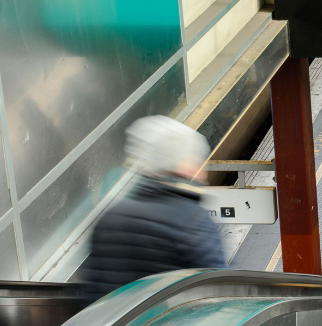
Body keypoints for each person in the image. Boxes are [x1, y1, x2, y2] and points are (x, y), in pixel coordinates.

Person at [82, 116, 223, 298]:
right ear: (184, 165)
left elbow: (92, 289)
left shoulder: (111, 217)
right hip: (173, 324)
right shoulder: (192, 220)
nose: (202, 169)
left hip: (117, 325)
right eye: (197, 160)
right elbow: (219, 290)